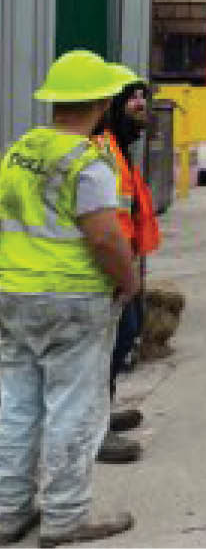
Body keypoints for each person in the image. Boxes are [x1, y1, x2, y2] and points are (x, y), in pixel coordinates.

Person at [0, 51, 139, 546]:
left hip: (12, 293)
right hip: (71, 299)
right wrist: (128, 280)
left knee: (16, 404)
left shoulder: (19, 151)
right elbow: (104, 237)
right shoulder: (87, 162)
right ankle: (64, 518)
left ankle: (9, 512)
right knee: (73, 408)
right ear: (101, 102)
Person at [90, 70, 160, 465]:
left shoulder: (120, 146)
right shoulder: (103, 149)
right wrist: (121, 273)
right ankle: (94, 431)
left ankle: (102, 416)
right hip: (107, 269)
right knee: (107, 347)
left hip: (122, 264)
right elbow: (105, 220)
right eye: (132, 98)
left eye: (143, 97)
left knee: (123, 339)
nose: (141, 104)